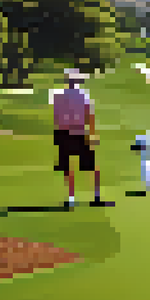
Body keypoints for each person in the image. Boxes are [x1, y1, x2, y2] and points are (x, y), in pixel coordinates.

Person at [51, 68, 112, 209]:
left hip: (62, 133)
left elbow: (56, 117)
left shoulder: (58, 95)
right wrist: (93, 134)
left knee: (67, 166)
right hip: (79, 132)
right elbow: (89, 115)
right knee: (91, 166)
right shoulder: (82, 95)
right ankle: (96, 196)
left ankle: (71, 197)